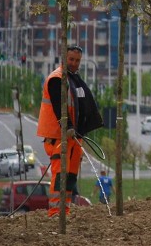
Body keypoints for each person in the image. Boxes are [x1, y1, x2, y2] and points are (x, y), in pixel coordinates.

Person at [36, 45, 104, 217]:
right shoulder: (57, 79)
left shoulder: (75, 80)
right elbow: (59, 107)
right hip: (58, 137)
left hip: (74, 137)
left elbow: (83, 104)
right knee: (61, 174)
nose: (74, 63)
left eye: (77, 60)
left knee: (70, 176)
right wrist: (68, 127)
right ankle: (55, 212)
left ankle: (64, 211)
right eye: (71, 59)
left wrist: (82, 128)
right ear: (64, 58)